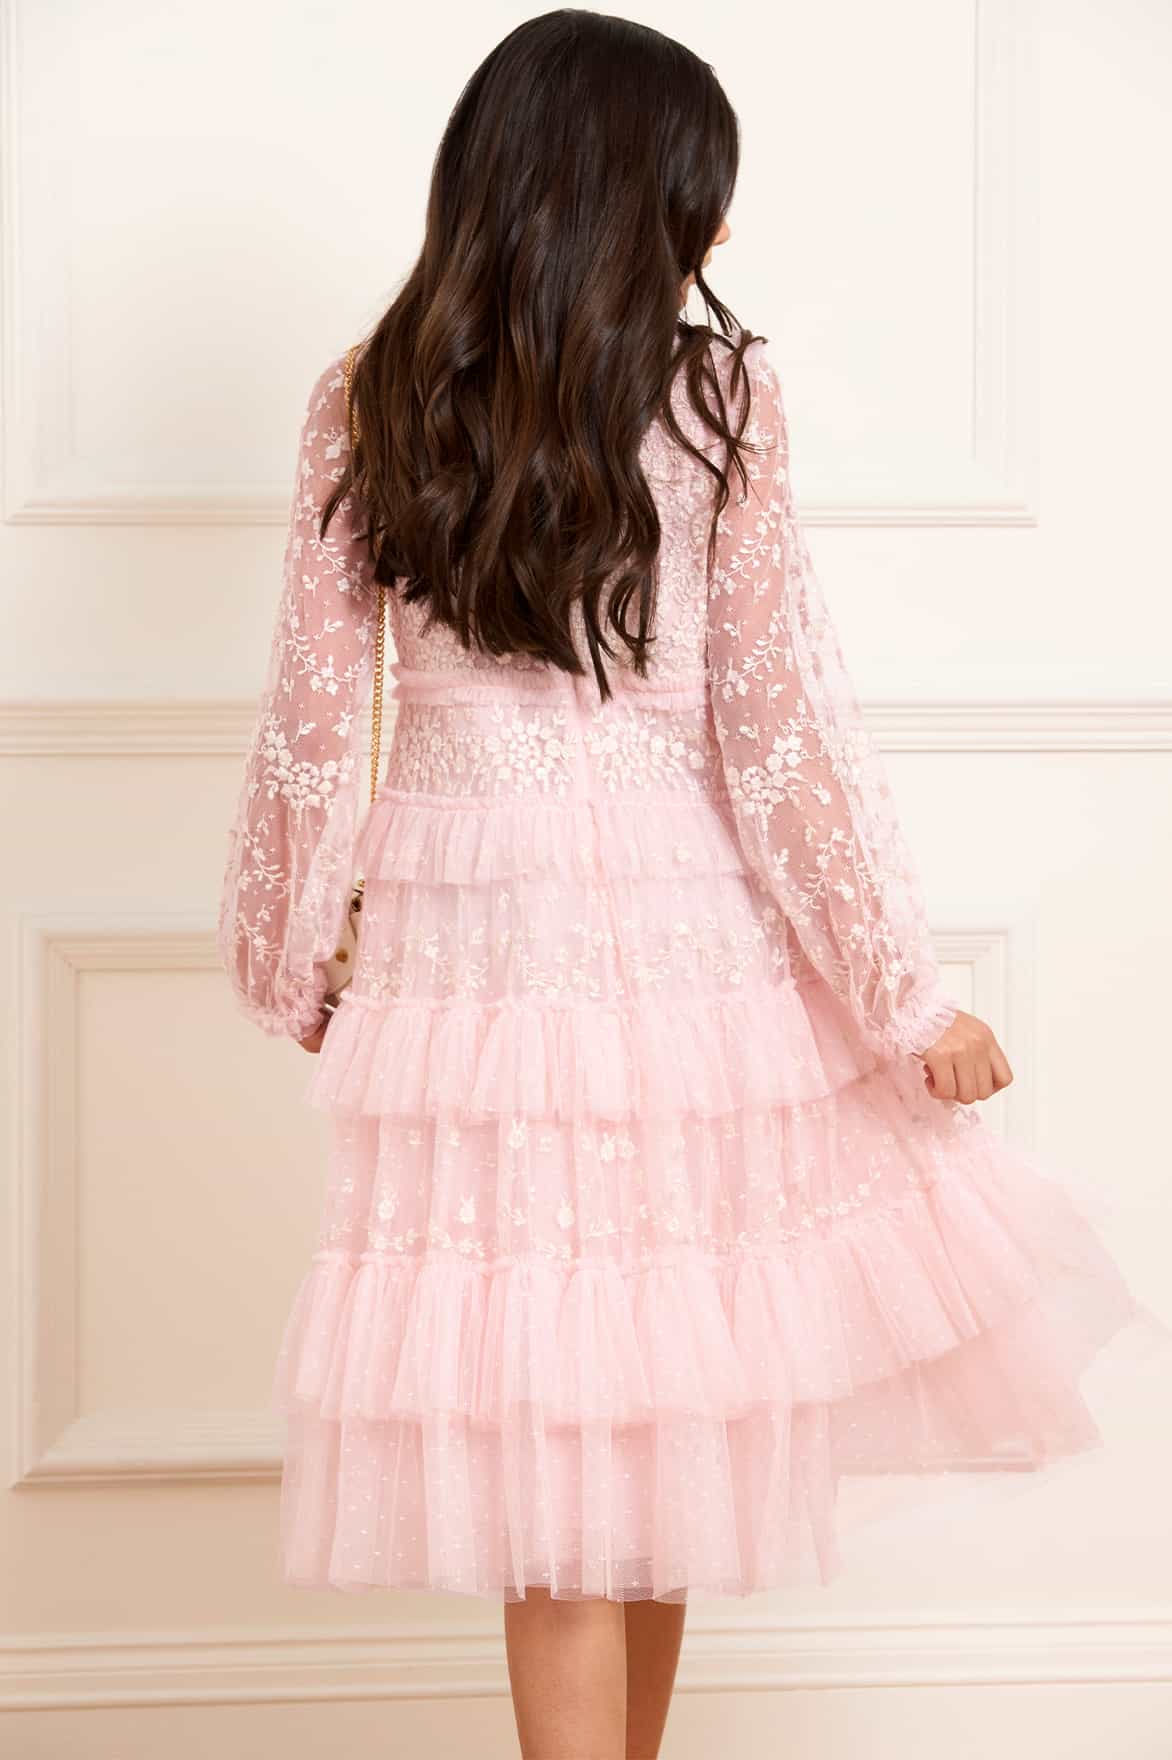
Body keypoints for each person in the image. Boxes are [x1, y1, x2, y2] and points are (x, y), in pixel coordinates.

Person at [216, 13, 1166, 1757]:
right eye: (699, 193)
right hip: (675, 938)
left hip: (472, 954)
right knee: (627, 1411)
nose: (721, 229)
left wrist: (292, 952)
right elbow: (777, 723)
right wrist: (901, 995)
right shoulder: (712, 397)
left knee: (587, 1419)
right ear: (626, 198)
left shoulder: (374, 392)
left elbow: (313, 721)